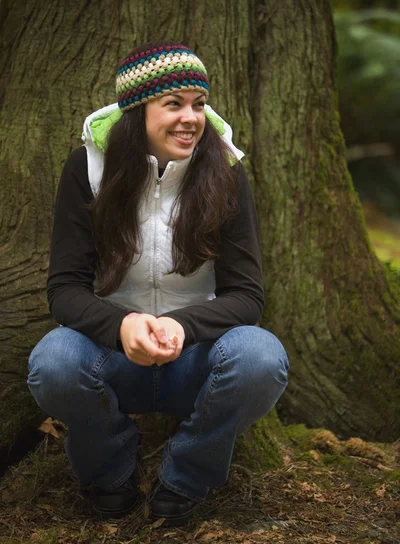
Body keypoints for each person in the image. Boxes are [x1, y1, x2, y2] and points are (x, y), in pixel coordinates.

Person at [27, 42, 289, 527]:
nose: (191, 118)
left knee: (262, 358)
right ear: (137, 111)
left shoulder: (226, 175)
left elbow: (247, 296)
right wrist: (123, 324)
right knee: (53, 361)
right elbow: (64, 288)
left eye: (198, 104)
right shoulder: (87, 170)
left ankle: (184, 478)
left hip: (198, 360)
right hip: (109, 357)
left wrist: (184, 328)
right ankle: (109, 472)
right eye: (174, 104)